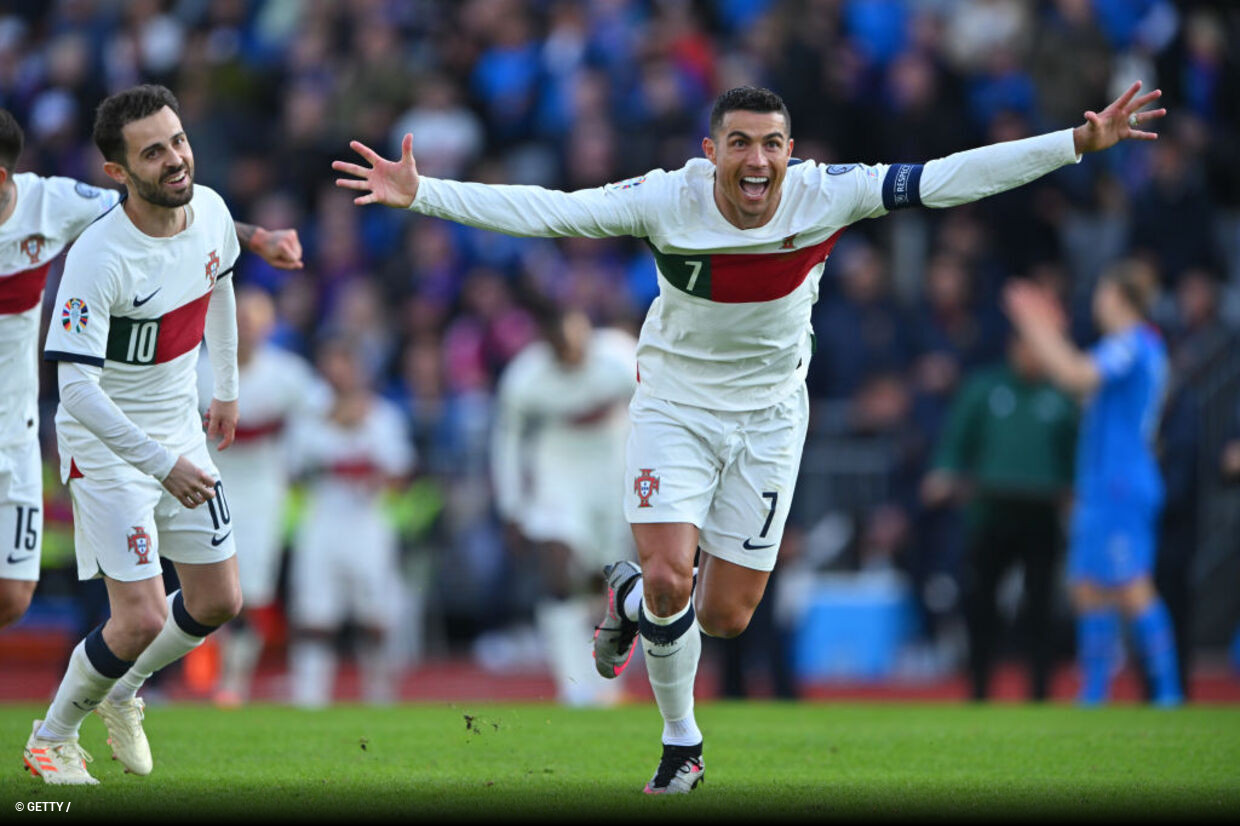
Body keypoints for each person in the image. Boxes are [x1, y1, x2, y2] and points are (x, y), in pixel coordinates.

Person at [335, 80, 1165, 792]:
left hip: (771, 417)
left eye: (771, 145)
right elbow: (553, 213)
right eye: (740, 145)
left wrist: (1075, 144)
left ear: (792, 151)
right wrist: (427, 193)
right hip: (673, 406)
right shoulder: (668, 198)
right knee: (673, 578)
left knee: (726, 615)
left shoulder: (824, 193)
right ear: (711, 150)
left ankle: (624, 598)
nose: (757, 162)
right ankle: (680, 743)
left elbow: (949, 179)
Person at [22, 84, 303, 786]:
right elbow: (76, 390)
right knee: (142, 616)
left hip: (180, 428)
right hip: (108, 445)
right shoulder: (98, 256)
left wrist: (227, 393)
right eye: (154, 152)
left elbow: (223, 287)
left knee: (218, 601)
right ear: (118, 172)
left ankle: (122, 690)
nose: (176, 159)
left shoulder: (208, 210)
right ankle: (51, 737)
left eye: (177, 140)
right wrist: (161, 462)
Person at [1005, 261, 1182, 706]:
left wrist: (1033, 322)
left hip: (1123, 482)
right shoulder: (1126, 347)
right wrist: (1049, 331)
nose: (1096, 300)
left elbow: (1074, 374)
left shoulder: (1133, 344)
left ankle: (1168, 691)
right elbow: (1076, 377)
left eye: (1102, 291)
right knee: (1086, 584)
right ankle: (1096, 690)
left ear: (1119, 297)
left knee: (1131, 584)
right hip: (1100, 483)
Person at [492, 302, 637, 707]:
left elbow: (659, 410)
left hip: (612, 465)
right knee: (557, 571)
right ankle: (570, 688)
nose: (573, 353)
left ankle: (605, 686)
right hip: (558, 467)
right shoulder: (526, 377)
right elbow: (506, 441)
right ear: (548, 344)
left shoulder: (621, 358)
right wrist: (511, 507)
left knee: (602, 583)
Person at [921, 333, 1077, 701]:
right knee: (981, 603)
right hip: (990, 512)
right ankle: (978, 691)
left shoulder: (1061, 394)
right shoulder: (985, 388)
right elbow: (957, 439)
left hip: (1041, 514)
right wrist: (944, 471)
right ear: (1014, 347)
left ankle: (1040, 693)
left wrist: (1076, 491)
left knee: (1041, 605)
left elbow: (1075, 450)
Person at [196, 285, 321, 706]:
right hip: (203, 489)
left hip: (264, 494)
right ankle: (187, 675)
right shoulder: (195, 370)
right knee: (199, 587)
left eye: (255, 320)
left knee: (250, 590)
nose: (246, 329)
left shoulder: (290, 375)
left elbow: (321, 418)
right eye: (239, 320)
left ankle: (234, 681)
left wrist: (296, 460)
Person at [286, 334, 414, 708]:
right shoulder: (308, 421)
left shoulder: (383, 416)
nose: (338, 376)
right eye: (331, 368)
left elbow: (401, 474)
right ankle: (309, 698)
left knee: (375, 616)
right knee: (314, 615)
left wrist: (371, 470)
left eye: (345, 367)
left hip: (368, 524)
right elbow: (293, 472)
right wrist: (332, 428)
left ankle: (379, 695)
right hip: (321, 521)